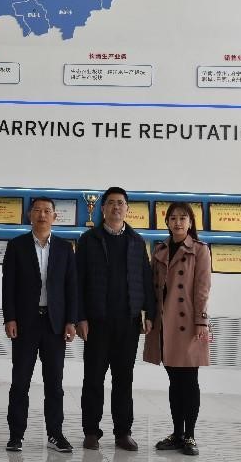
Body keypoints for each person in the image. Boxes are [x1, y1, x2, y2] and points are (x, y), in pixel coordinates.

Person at [76, 186, 156, 451]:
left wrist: (149, 313)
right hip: (97, 322)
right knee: (93, 379)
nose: (116, 207)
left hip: (128, 323)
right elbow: (78, 282)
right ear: (103, 208)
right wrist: (80, 317)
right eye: (111, 202)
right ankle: (91, 431)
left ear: (127, 209)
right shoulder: (88, 240)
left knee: (124, 379)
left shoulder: (136, 241)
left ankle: (123, 432)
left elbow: (145, 280)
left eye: (120, 203)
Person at [2, 197, 78, 453]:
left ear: (55, 216)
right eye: (37, 210)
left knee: (54, 384)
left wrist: (71, 321)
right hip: (25, 322)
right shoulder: (17, 246)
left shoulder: (65, 248)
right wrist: (10, 318)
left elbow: (71, 287)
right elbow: (8, 285)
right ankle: (16, 435)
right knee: (20, 382)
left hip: (55, 324)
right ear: (29, 215)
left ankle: (55, 434)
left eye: (47, 211)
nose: (42, 215)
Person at [143, 202, 211, 456]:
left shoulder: (200, 250)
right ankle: (177, 433)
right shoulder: (160, 249)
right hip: (164, 324)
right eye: (173, 218)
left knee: (189, 381)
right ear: (167, 222)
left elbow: (202, 288)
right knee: (174, 381)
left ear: (190, 223)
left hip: (188, 324)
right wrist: (149, 317)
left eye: (183, 218)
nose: (178, 222)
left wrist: (201, 321)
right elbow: (152, 289)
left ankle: (190, 435)